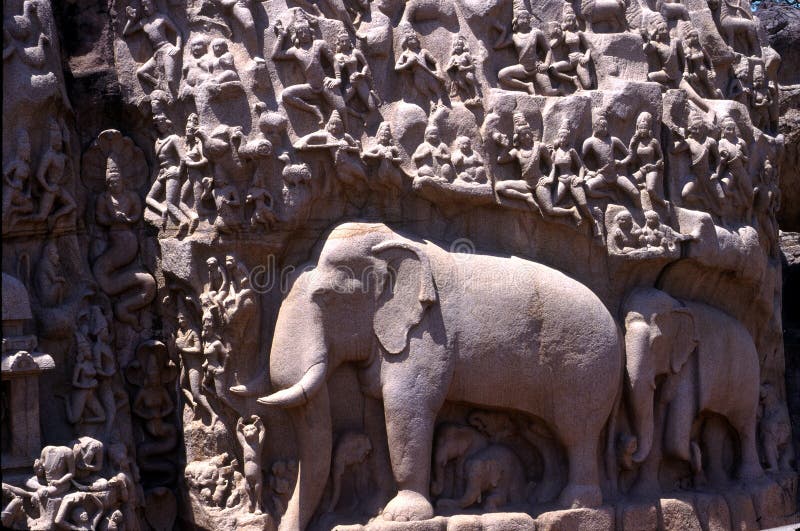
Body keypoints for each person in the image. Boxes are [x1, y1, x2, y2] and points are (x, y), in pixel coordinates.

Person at [272, 13, 344, 127]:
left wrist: (338, 79)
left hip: (326, 84)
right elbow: (276, 55)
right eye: (300, 33)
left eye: (306, 31)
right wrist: (281, 36)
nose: (304, 35)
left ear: (311, 31)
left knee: (342, 109)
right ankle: (314, 109)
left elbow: (334, 60)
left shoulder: (319, 44)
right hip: (310, 87)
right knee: (286, 95)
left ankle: (349, 137)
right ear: (296, 35)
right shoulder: (296, 51)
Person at [582, 116, 641, 207]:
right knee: (587, 188)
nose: (605, 129)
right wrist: (588, 171)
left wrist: (622, 162)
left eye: (606, 126)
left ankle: (640, 212)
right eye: (602, 126)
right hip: (602, 176)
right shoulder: (590, 142)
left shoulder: (613, 140)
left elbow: (630, 155)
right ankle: (608, 194)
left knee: (636, 193)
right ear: (595, 126)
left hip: (616, 175)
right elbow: (579, 159)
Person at [627, 112, 665, 206]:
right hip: (642, 169)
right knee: (628, 183)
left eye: (645, 128)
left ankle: (663, 203)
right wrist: (631, 144)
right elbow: (631, 158)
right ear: (638, 129)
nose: (643, 130)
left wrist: (654, 166)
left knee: (651, 190)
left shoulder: (653, 142)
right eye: (641, 128)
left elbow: (661, 158)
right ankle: (642, 184)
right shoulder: (637, 142)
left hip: (652, 169)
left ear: (649, 129)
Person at [236, 415, 266, 514]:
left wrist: (259, 422)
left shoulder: (258, 445)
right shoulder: (245, 445)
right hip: (247, 477)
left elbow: (263, 431)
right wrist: (239, 422)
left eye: (252, 428)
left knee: (257, 491)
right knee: (248, 489)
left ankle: (258, 506)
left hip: (257, 475)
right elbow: (238, 432)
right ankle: (251, 502)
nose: (249, 431)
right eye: (247, 429)